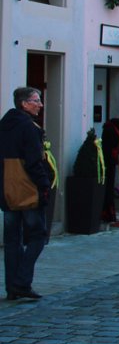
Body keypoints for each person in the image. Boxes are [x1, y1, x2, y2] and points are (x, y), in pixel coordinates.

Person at [0, 87, 51, 301]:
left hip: (7, 190)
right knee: (38, 236)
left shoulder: (4, 125)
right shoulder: (29, 128)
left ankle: (13, 286)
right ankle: (22, 282)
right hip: (28, 189)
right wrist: (44, 185)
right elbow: (34, 161)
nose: (40, 104)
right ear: (24, 103)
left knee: (12, 239)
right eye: (36, 100)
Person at [101, 117, 119, 223]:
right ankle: (108, 213)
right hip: (109, 162)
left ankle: (109, 212)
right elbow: (110, 146)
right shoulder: (112, 131)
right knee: (109, 187)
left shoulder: (110, 129)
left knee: (109, 187)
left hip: (110, 161)